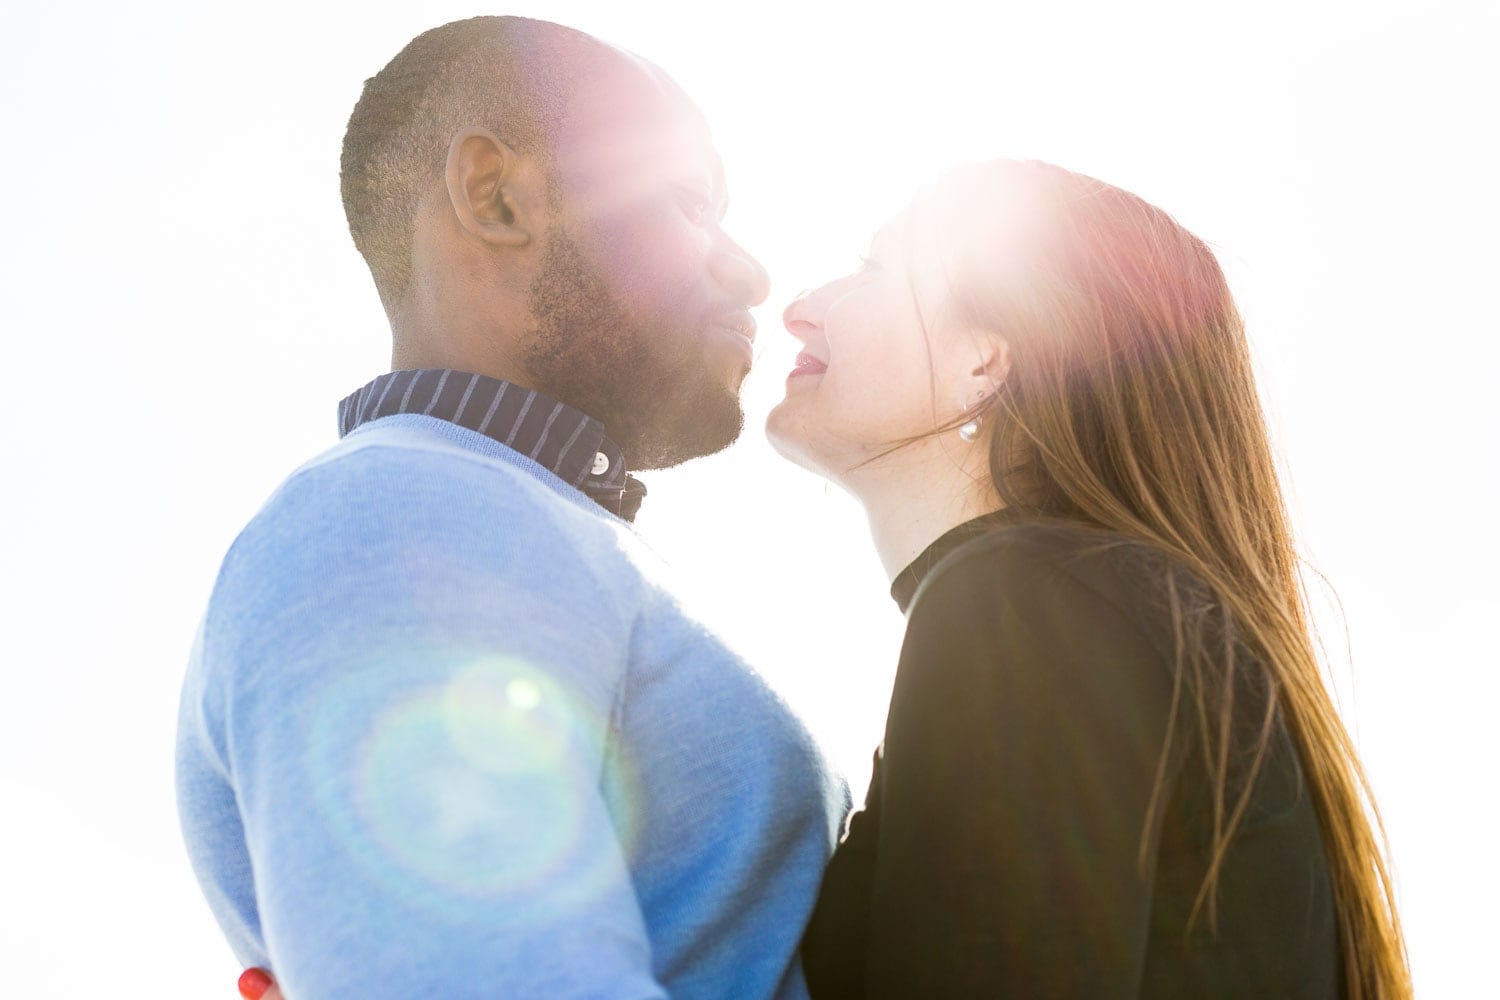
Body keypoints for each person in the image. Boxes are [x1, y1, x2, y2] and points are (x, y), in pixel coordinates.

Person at [175, 16, 848, 1000]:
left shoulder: (500, 520)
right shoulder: (400, 522)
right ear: (497, 195)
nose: (747, 271)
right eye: (691, 205)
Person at [769, 160, 1411, 998]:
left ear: (984, 362)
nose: (801, 309)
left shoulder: (1024, 600)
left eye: (877, 270)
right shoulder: (1103, 609)